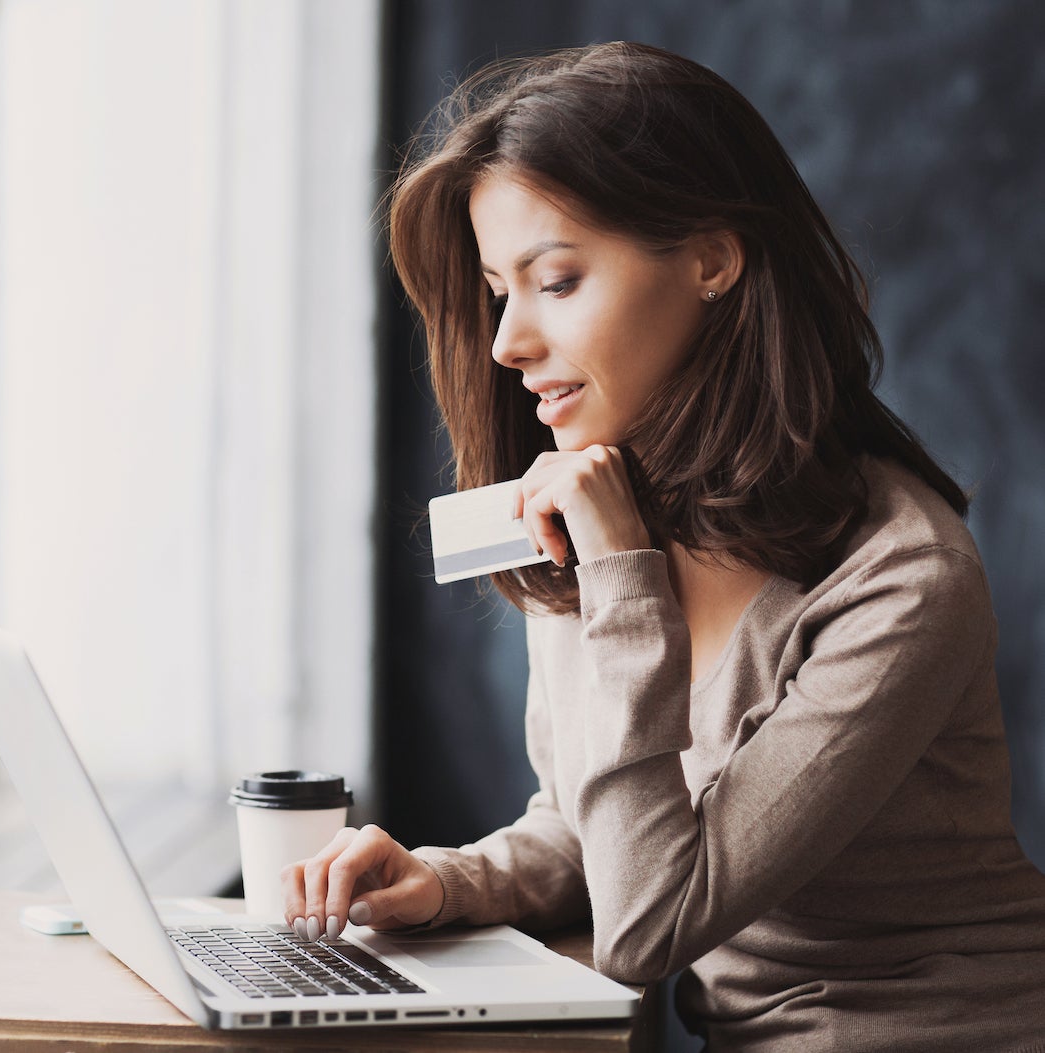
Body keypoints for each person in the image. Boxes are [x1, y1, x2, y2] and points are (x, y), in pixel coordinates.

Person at [281, 41, 1045, 1050]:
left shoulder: (902, 581)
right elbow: (599, 827)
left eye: (555, 280)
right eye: (496, 290)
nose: (507, 341)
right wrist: (448, 880)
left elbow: (649, 922)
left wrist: (620, 579)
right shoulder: (604, 508)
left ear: (712, 259)